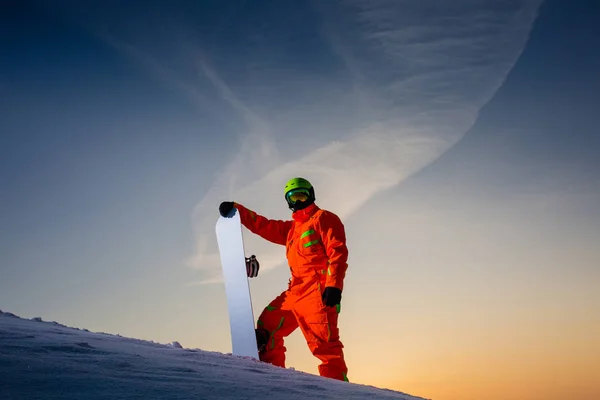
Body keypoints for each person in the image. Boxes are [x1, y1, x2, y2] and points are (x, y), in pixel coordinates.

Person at [218, 177, 349, 382]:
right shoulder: (291, 230)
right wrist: (238, 211)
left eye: (301, 195)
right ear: (288, 202)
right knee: (267, 328)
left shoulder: (324, 218)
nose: (298, 202)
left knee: (325, 347)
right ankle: (274, 379)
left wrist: (334, 285)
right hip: (294, 291)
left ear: (311, 195)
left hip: (318, 292)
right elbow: (264, 225)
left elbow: (337, 253)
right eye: (293, 197)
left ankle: (337, 391)